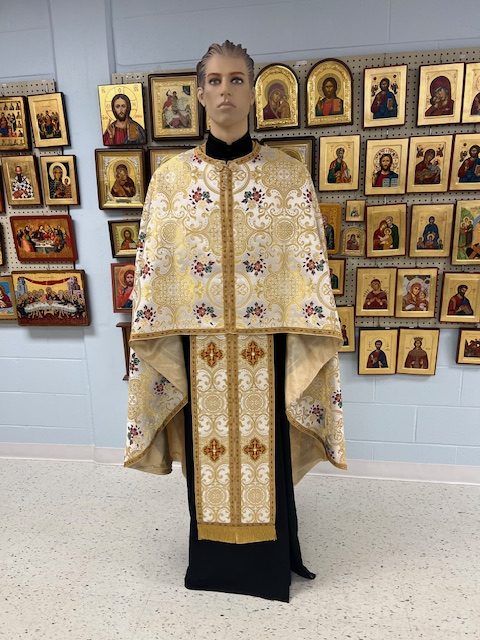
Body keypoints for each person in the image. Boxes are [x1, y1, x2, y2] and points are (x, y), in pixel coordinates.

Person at [124, 40, 346, 604]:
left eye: (237, 80)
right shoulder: (170, 181)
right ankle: (212, 566)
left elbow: (307, 266)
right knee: (209, 458)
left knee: (268, 453)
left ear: (254, 93)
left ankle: (269, 567)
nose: (226, 91)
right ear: (199, 94)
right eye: (216, 81)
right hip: (198, 348)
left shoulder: (288, 177)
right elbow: (155, 269)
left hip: (268, 347)